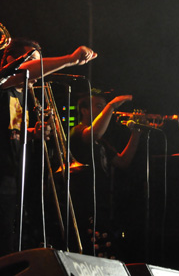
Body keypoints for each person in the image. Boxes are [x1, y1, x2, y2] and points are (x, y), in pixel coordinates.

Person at [0, 38, 97, 273]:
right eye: (33, 62)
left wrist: (33, 133)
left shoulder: (22, 97)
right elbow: (22, 72)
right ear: (10, 60)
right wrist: (70, 59)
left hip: (7, 178)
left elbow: (10, 131)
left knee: (7, 244)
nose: (39, 69)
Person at [70, 89, 143, 260]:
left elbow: (123, 162)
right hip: (85, 208)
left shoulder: (100, 141)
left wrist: (137, 132)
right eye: (99, 107)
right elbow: (93, 133)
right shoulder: (78, 131)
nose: (104, 111)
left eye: (103, 107)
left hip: (102, 205)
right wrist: (111, 106)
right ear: (84, 110)